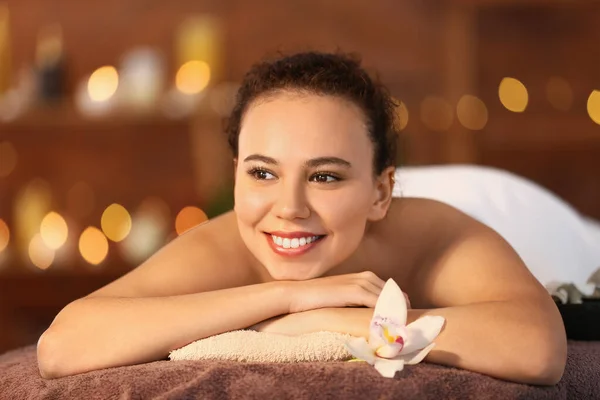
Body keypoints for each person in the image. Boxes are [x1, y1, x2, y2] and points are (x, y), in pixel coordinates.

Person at [36, 51, 567, 384]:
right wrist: (286, 299)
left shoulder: (437, 234)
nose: (288, 209)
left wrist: (329, 320)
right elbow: (63, 345)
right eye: (262, 174)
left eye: (326, 176)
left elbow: (538, 348)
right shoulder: (221, 247)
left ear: (382, 191)